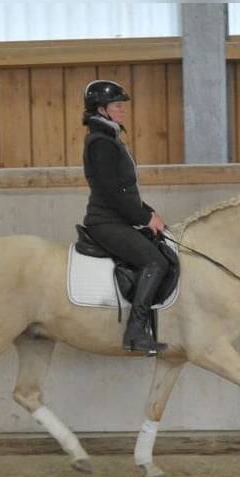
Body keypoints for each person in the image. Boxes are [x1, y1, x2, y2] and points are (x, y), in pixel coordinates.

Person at [81, 79, 170, 354]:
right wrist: (144, 217)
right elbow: (112, 192)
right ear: (101, 109)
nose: (123, 110)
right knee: (155, 262)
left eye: (122, 105)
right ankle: (134, 332)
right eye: (117, 105)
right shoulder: (101, 143)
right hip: (106, 222)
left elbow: (125, 190)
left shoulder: (110, 139)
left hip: (117, 218)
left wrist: (149, 211)